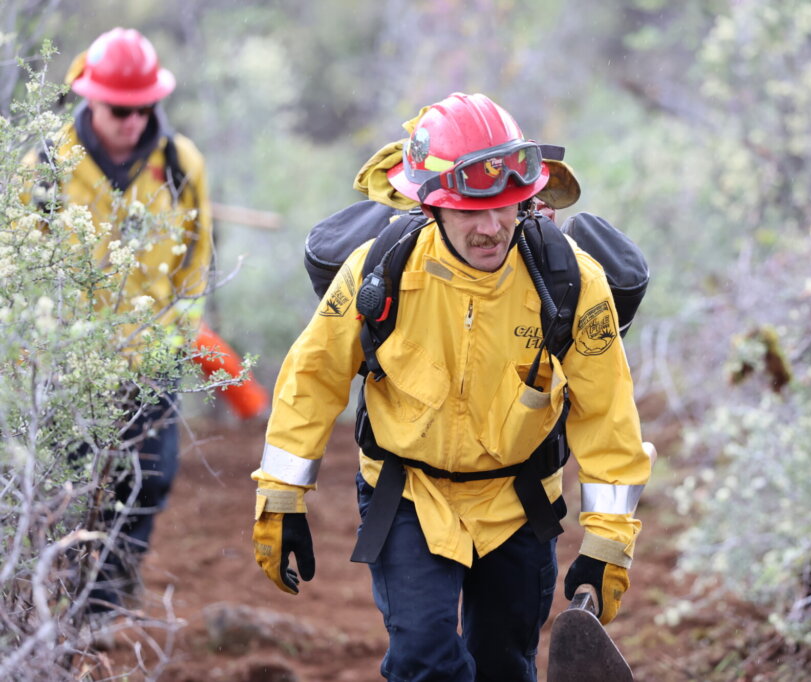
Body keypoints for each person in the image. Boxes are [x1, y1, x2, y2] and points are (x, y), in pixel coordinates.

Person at [251, 92, 650, 681]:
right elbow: (312, 378)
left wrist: (607, 546)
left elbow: (608, 418)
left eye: (508, 206)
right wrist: (281, 496)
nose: (492, 228)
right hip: (409, 496)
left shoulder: (572, 284)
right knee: (423, 661)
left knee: (503, 668)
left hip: (519, 503)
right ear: (431, 206)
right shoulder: (379, 269)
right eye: (471, 210)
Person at [27, 27, 213, 612]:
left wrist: (175, 338)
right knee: (72, 492)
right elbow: (23, 270)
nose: (132, 120)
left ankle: (106, 602)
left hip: (151, 359)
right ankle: (57, 598)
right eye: (119, 109)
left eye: (143, 108)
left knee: (148, 480)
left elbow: (195, 263)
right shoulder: (49, 165)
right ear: (90, 98)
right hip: (66, 368)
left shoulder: (182, 164)